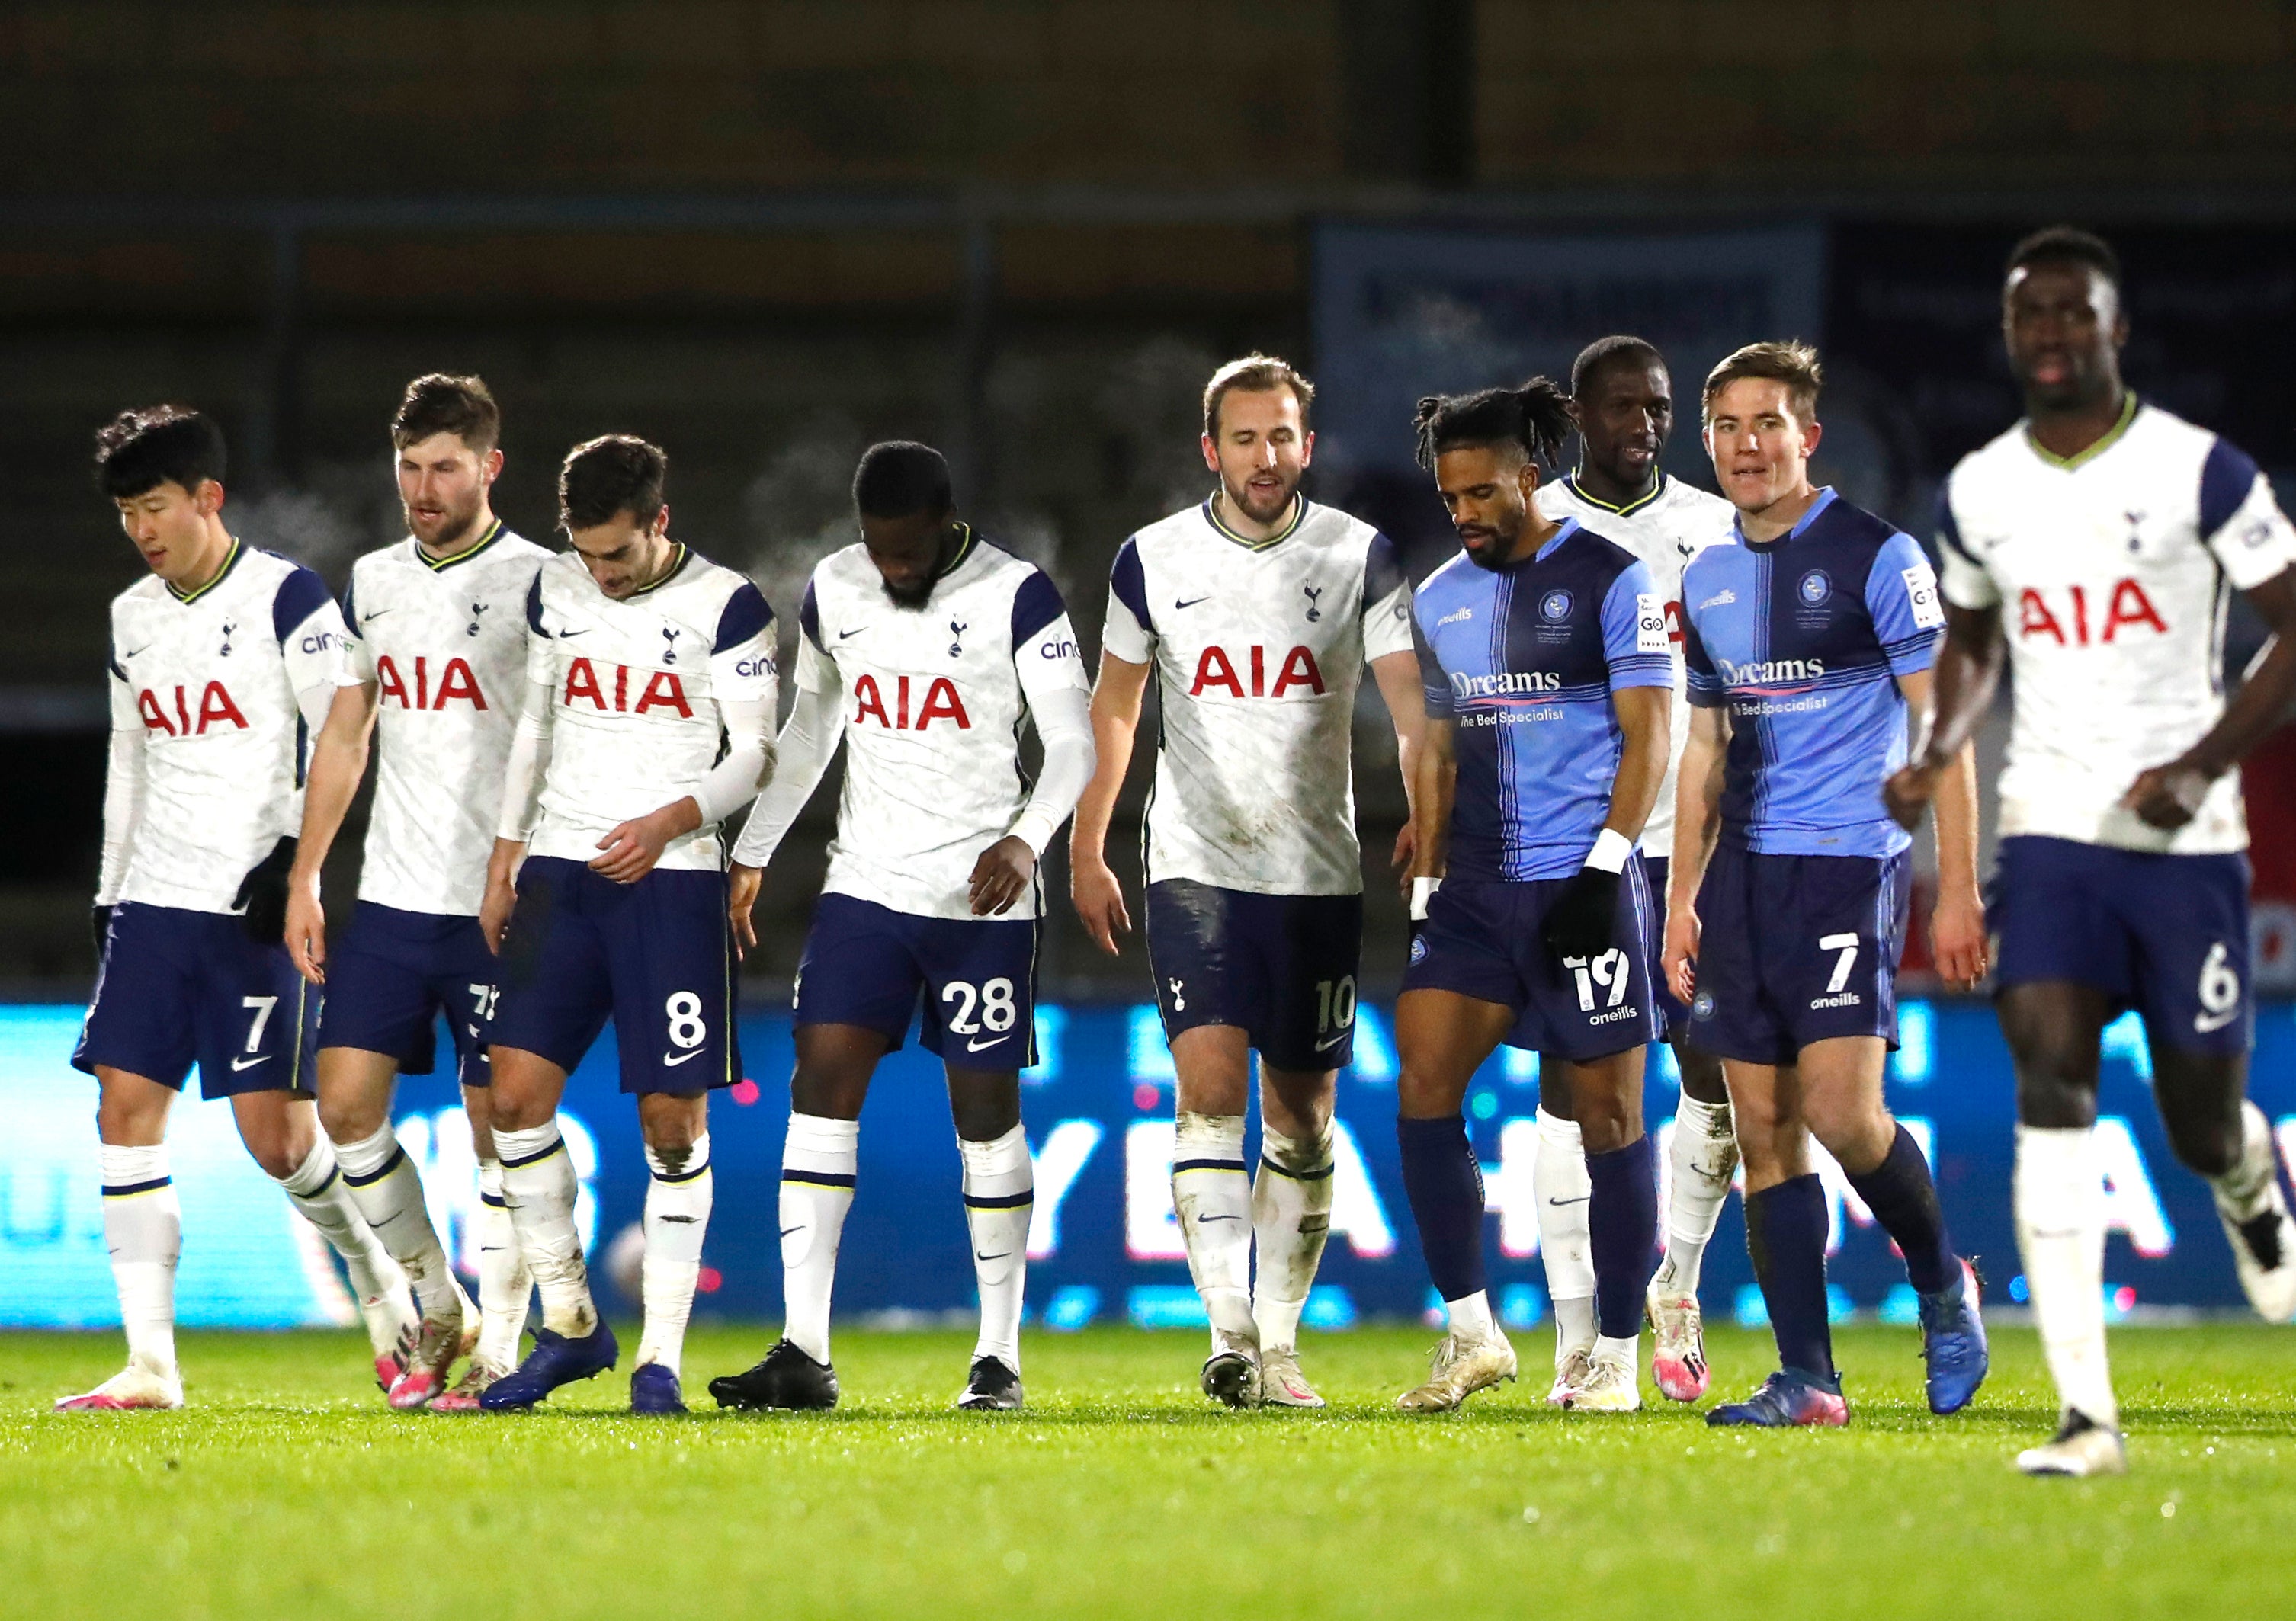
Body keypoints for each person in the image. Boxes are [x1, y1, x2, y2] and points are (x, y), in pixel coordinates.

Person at [1887, 227, 2296, 1478]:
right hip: (2049, 828)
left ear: (2116, 332)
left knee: (2198, 1122)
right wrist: (1938, 739)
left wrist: (2200, 763)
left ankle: (2248, 1191)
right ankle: (2084, 1416)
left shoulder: (2200, 473)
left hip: (2185, 848)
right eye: (2030, 317)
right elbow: (1969, 643)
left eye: (2074, 314)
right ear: (2009, 338)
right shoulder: (1976, 490)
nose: (2052, 334)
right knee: (2049, 1071)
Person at [706, 442, 1095, 1414]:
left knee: (984, 1115)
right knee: (819, 1079)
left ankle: (997, 1357)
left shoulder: (1019, 594)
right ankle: (803, 1350)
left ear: (946, 521)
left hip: (981, 900)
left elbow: (1074, 741)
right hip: (866, 888)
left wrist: (1027, 841)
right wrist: (752, 849)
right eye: (880, 550)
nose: (895, 567)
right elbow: (811, 729)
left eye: (910, 551)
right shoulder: (835, 588)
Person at [1069, 355, 1425, 1408]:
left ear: (1306, 447)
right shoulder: (1154, 558)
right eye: (1244, 437)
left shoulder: (1361, 555)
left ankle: (1277, 1342)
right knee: (1210, 1090)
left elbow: (1410, 701)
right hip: (1197, 861)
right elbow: (1118, 707)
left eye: (1282, 437)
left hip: (1316, 870)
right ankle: (1228, 1329)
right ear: (1210, 448)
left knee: (1305, 1119)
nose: (1264, 457)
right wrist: (1092, 840)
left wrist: (1427, 805)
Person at [62, 405, 415, 1411]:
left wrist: (296, 863)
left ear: (207, 498)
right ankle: (150, 1363)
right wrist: (107, 891)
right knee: (123, 1115)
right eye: (128, 512)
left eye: (157, 506)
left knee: (280, 1142)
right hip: (152, 904)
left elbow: (345, 726)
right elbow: (131, 759)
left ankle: (387, 1291)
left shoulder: (285, 595)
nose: (143, 529)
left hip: (249, 910)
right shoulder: (134, 616)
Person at [1666, 341, 1991, 1430]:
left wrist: (1957, 890)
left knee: (1845, 1113)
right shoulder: (1704, 574)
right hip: (1745, 878)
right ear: (1705, 442)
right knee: (1760, 1125)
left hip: (1850, 864)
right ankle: (1808, 1376)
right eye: (1726, 426)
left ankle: (1945, 1279)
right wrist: (1680, 895)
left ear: (1809, 434)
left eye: (1768, 423)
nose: (1747, 445)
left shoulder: (1875, 555)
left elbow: (1943, 725)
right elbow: (1706, 747)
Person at [476, 434, 778, 1414]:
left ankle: (660, 1361)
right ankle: (569, 1326)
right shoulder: (555, 590)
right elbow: (536, 722)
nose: (599, 574)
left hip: (673, 881)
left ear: (660, 521)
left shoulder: (727, 606)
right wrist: (506, 849)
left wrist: (668, 823)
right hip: (562, 873)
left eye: (617, 554)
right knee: (514, 1101)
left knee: (672, 1125)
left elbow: (756, 754)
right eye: (584, 552)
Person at [1393, 380, 1672, 1415]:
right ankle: (1472, 1332)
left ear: (1530, 476)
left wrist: (1607, 869)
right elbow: (1440, 753)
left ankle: (1609, 1351)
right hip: (1475, 886)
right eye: (1447, 495)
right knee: (1422, 1077)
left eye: (1478, 492)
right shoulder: (1437, 599)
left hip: (1582, 882)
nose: (1461, 512)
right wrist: (1426, 882)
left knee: (1608, 1112)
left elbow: (1653, 736)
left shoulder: (1610, 577)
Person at [284, 374, 548, 1409]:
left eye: (444, 465)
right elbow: (347, 732)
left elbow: (566, 732)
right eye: (409, 466)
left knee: (500, 1126)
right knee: (345, 1106)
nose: (423, 486)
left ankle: (502, 1347)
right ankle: (438, 1301)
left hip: (499, 899)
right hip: (392, 894)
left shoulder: (541, 581)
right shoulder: (375, 579)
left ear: (490, 466)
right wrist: (308, 872)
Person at [1528, 335, 1740, 1405]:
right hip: (1580, 847)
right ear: (1578, 413)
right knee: (1573, 1087)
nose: (1643, 424)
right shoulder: (1538, 525)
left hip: (1696, 840)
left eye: (1658, 407)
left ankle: (1680, 1286)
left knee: (1714, 1075)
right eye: (1621, 407)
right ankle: (1577, 1334)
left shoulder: (1714, 526)